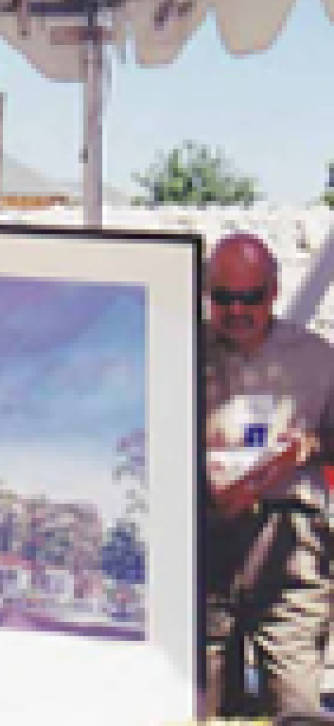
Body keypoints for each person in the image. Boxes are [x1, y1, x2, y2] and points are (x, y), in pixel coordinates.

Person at [202, 231, 334, 718]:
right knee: (198, 702)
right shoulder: (182, 353)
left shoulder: (318, 360)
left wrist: (305, 449)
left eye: (250, 298)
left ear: (274, 292)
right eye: (223, 298)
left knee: (296, 705)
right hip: (204, 549)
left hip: (291, 546)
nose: (237, 310)